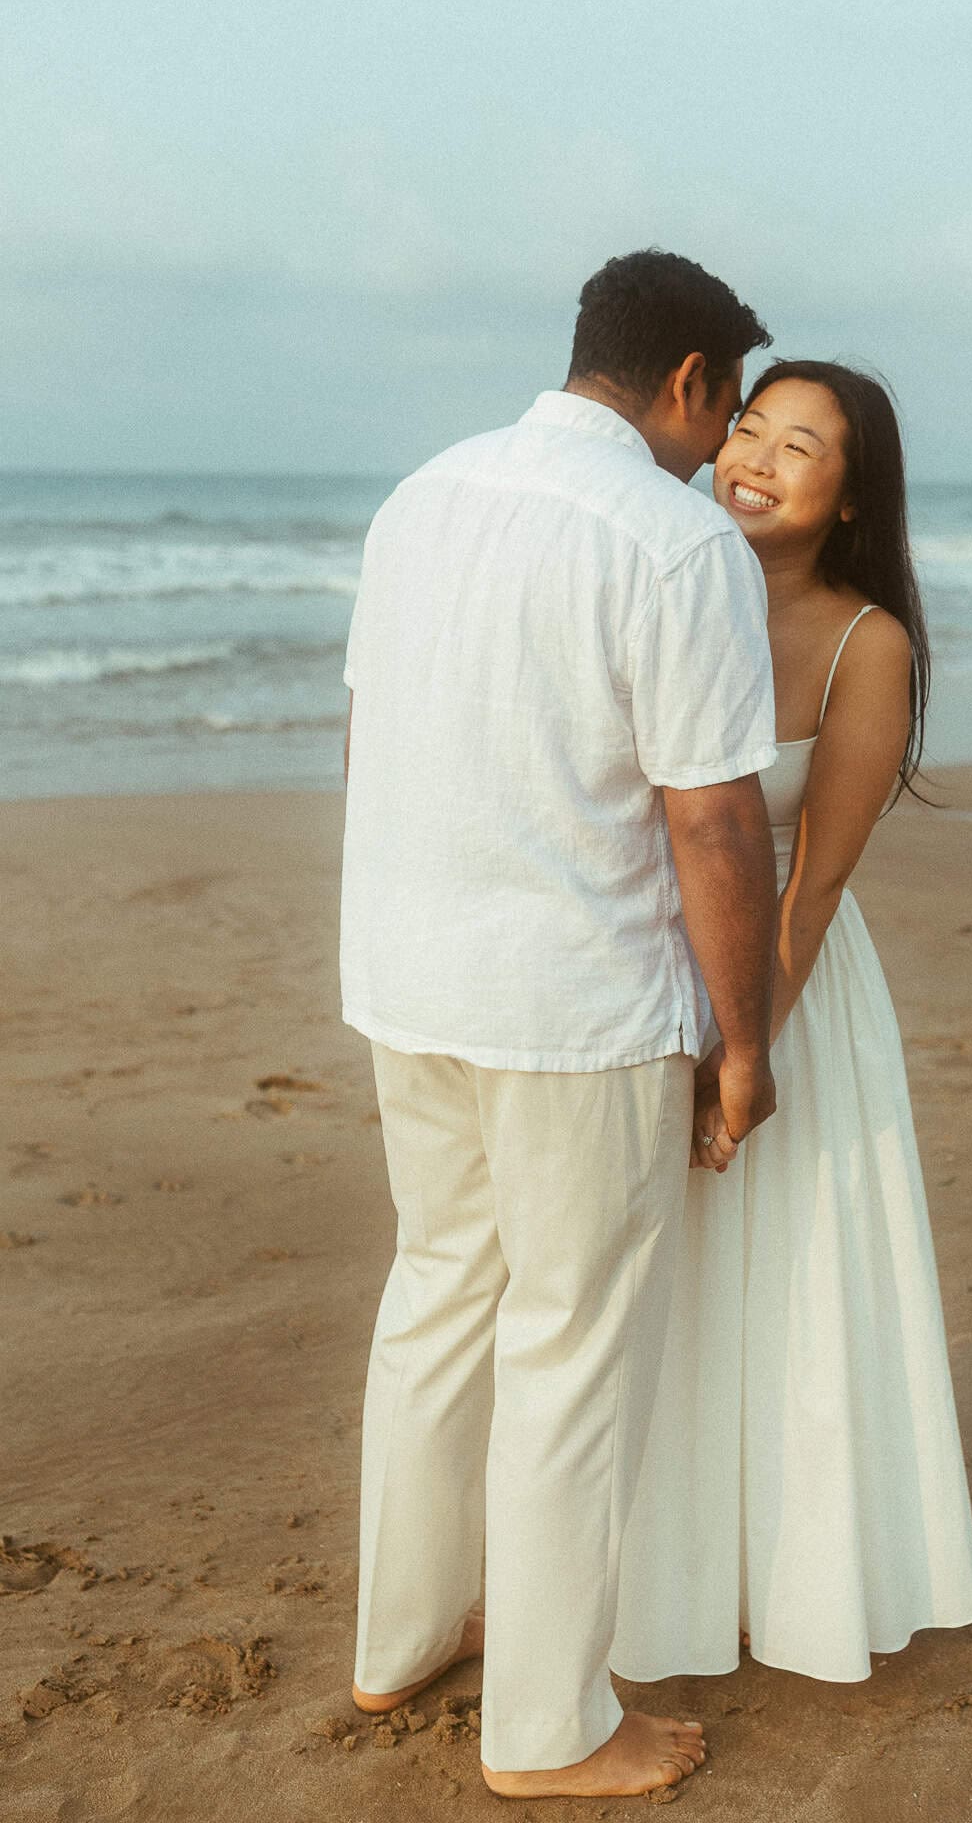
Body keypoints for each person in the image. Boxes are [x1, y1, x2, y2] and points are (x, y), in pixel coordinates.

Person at [339, 251, 780, 1800]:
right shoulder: (670, 542)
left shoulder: (423, 497)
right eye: (722, 412)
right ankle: (546, 1730)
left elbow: (371, 732)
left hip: (408, 978)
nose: (721, 449)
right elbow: (715, 823)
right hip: (570, 1003)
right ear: (686, 383)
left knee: (438, 1299)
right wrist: (744, 1042)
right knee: (570, 1353)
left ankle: (396, 1643)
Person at [612, 361, 972, 1685]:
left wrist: (739, 1043)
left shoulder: (861, 640)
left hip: (784, 987)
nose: (755, 459)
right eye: (748, 429)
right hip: (642, 979)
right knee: (658, 1297)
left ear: (849, 494)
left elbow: (815, 878)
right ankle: (654, 1576)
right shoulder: (668, 576)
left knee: (788, 1284)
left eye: (799, 446)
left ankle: (789, 1577)